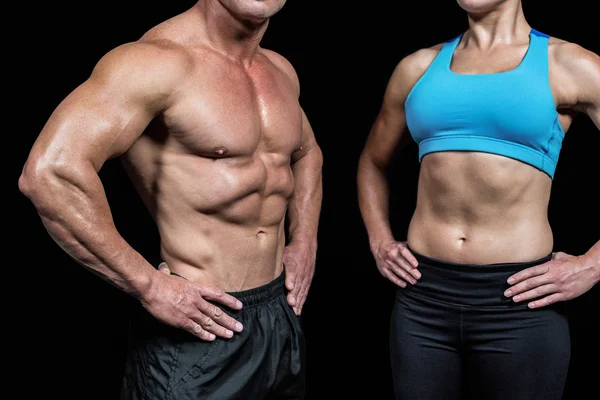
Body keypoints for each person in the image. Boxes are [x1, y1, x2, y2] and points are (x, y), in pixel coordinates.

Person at [18, 1, 323, 399]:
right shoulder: (154, 63)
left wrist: (305, 242)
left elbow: (307, 152)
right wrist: (149, 286)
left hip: (279, 317)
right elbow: (50, 173)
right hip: (199, 329)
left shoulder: (280, 70)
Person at [357, 0, 599, 399]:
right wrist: (380, 241)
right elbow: (372, 162)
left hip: (520, 303)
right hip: (423, 300)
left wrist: (591, 266)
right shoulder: (417, 68)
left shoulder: (569, 63)